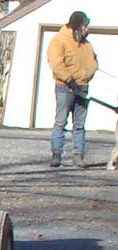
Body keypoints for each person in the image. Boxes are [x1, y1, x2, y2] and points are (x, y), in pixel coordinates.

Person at [47, 11, 98, 169]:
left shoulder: (87, 44)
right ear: (77, 26)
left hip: (82, 87)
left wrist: (87, 77)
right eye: (85, 26)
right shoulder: (59, 40)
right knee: (61, 121)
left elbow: (94, 62)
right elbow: (56, 63)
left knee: (80, 125)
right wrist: (70, 80)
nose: (87, 29)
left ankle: (78, 156)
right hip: (64, 87)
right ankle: (56, 155)